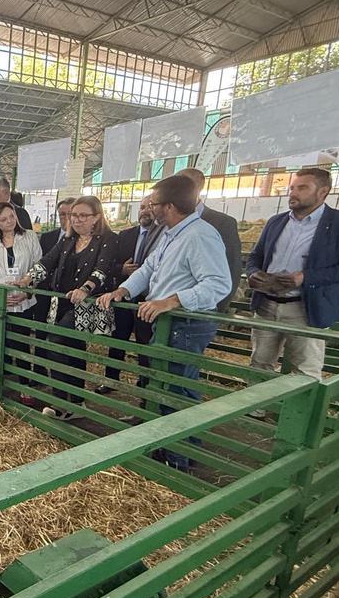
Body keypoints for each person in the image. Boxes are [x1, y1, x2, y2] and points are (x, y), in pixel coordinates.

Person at [97, 175, 232, 470]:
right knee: (166, 384)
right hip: (169, 321)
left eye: (154, 204)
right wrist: (123, 289)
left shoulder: (200, 235)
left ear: (169, 206)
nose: (150, 208)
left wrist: (172, 300)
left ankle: (180, 457)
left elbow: (219, 284)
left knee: (179, 387)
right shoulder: (172, 233)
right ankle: (170, 448)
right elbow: (148, 269)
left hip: (186, 323)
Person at [245, 167, 339, 381]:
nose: (293, 193)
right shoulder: (276, 221)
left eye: (302, 188)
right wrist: (254, 273)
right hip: (267, 304)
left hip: (306, 308)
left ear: (322, 192)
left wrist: (305, 277)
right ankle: (256, 413)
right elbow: (256, 256)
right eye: (292, 187)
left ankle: (296, 413)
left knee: (305, 368)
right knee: (260, 362)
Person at [28, 196, 119, 420]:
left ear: (96, 217)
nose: (76, 220)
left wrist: (86, 289)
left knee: (55, 342)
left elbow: (102, 269)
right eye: (73, 215)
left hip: (88, 304)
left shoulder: (107, 239)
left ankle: (61, 402)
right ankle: (77, 403)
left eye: (82, 215)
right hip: (62, 301)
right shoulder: (68, 239)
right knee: (75, 349)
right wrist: (27, 278)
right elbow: (48, 261)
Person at [0, 201, 42, 398]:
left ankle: (24, 385)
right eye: (3, 219)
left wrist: (28, 291)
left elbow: (39, 267)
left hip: (24, 301)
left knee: (21, 342)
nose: (10, 221)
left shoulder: (29, 237)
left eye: (12, 216)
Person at [103, 193, 164, 392]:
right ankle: (111, 380)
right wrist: (122, 269)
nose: (145, 210)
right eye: (142, 207)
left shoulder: (164, 235)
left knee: (145, 342)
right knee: (117, 339)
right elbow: (110, 263)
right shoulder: (125, 235)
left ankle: (144, 384)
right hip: (124, 296)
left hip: (148, 299)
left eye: (150, 206)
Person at [177, 168, 242, 312]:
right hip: (163, 307)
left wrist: (216, 309)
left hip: (199, 311)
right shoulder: (165, 221)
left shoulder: (222, 223)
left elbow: (232, 268)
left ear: (197, 188)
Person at [30, 198, 73, 324]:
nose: (65, 217)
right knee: (40, 325)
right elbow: (43, 261)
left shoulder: (83, 240)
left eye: (69, 214)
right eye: (62, 214)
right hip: (45, 291)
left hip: (67, 295)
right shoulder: (47, 237)